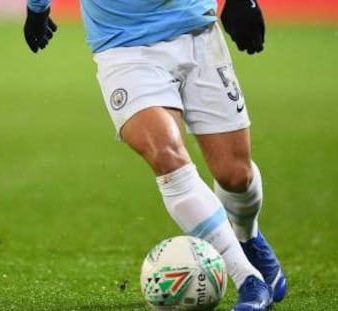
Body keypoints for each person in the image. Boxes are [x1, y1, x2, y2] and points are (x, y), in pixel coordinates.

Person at [23, 1, 287, 310]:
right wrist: (37, 8)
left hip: (196, 33)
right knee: (167, 156)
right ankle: (249, 281)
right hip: (123, 45)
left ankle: (247, 235)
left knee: (235, 175)